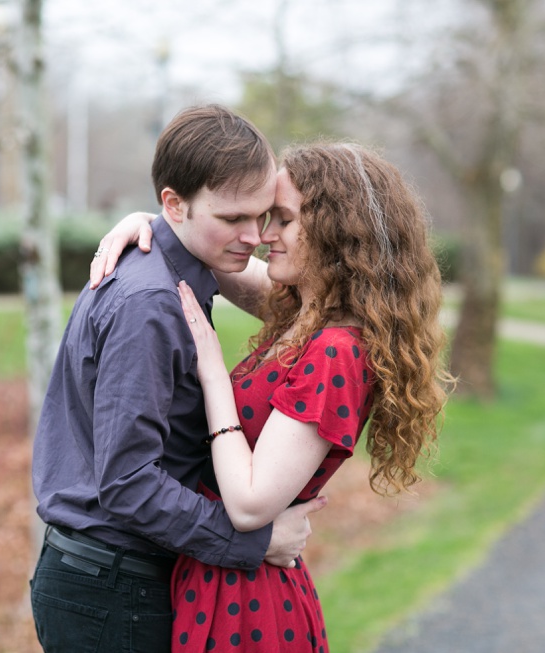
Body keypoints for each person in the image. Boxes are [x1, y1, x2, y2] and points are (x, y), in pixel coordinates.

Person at [91, 142, 453, 652]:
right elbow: (213, 253)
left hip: (246, 601)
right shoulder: (309, 317)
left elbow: (249, 504)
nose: (262, 236)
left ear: (335, 234)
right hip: (224, 576)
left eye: (282, 219)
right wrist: (152, 222)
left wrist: (214, 376)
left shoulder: (336, 351)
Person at [30, 105, 329, 653]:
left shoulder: (178, 272)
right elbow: (127, 483)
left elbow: (311, 307)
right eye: (234, 219)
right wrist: (254, 542)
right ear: (174, 203)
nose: (256, 236)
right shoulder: (150, 303)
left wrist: (159, 220)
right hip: (113, 591)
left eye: (263, 216)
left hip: (119, 581)